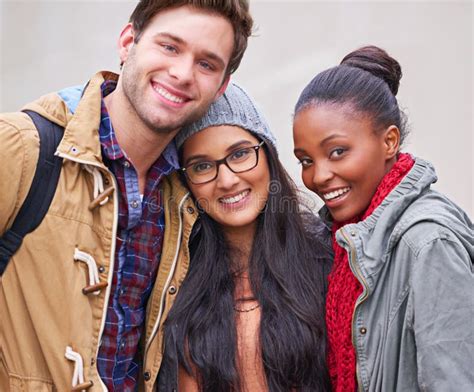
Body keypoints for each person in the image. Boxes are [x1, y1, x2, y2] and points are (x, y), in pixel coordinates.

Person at [0, 1, 253, 390]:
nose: (182, 73)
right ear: (127, 42)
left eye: (206, 64)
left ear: (221, 86)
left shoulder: (186, 196)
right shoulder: (22, 146)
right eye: (169, 47)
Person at [292, 45, 474, 392]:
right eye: (306, 160)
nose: (319, 176)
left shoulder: (428, 244)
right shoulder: (338, 240)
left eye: (337, 152)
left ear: (389, 141)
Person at [155, 83, 332, 391]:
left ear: (268, 155)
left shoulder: (328, 257)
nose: (226, 180)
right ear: (186, 182)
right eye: (202, 166)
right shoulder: (173, 285)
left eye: (239, 154)